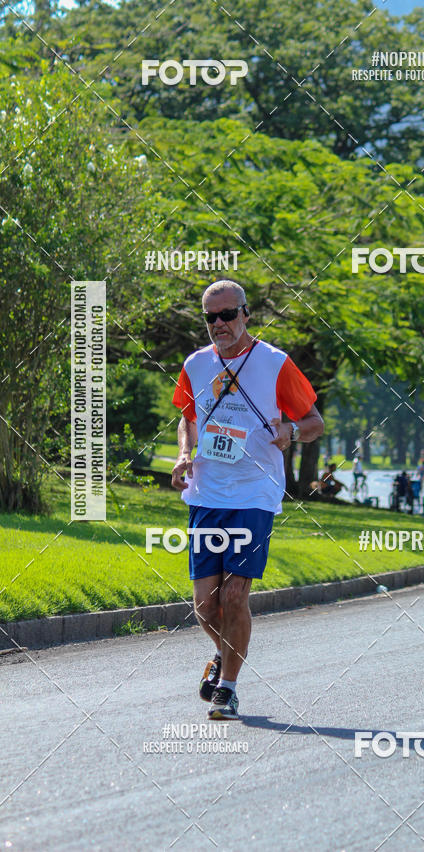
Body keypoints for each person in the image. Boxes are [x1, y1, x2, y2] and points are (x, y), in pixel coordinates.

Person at [171, 280, 323, 719]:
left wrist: (291, 431)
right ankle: (225, 655)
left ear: (246, 314)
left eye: (227, 314)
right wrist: (184, 453)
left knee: (235, 595)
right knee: (205, 606)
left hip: (255, 493)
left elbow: (314, 421)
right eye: (210, 317)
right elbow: (188, 418)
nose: (219, 324)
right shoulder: (197, 364)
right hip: (207, 492)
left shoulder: (275, 363)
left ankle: (229, 686)